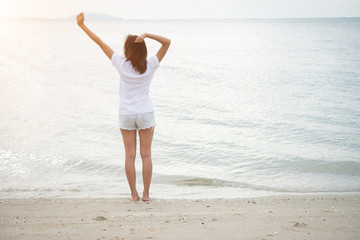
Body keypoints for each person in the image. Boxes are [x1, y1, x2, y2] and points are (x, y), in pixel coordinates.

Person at [76, 12, 171, 201]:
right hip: (145, 113)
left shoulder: (121, 64)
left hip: (126, 114)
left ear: (127, 50)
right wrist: (147, 35)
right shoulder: (150, 64)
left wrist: (82, 26)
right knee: (146, 156)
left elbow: (100, 43)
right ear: (143, 50)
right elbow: (167, 42)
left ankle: (134, 195)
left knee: (129, 156)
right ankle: (146, 194)